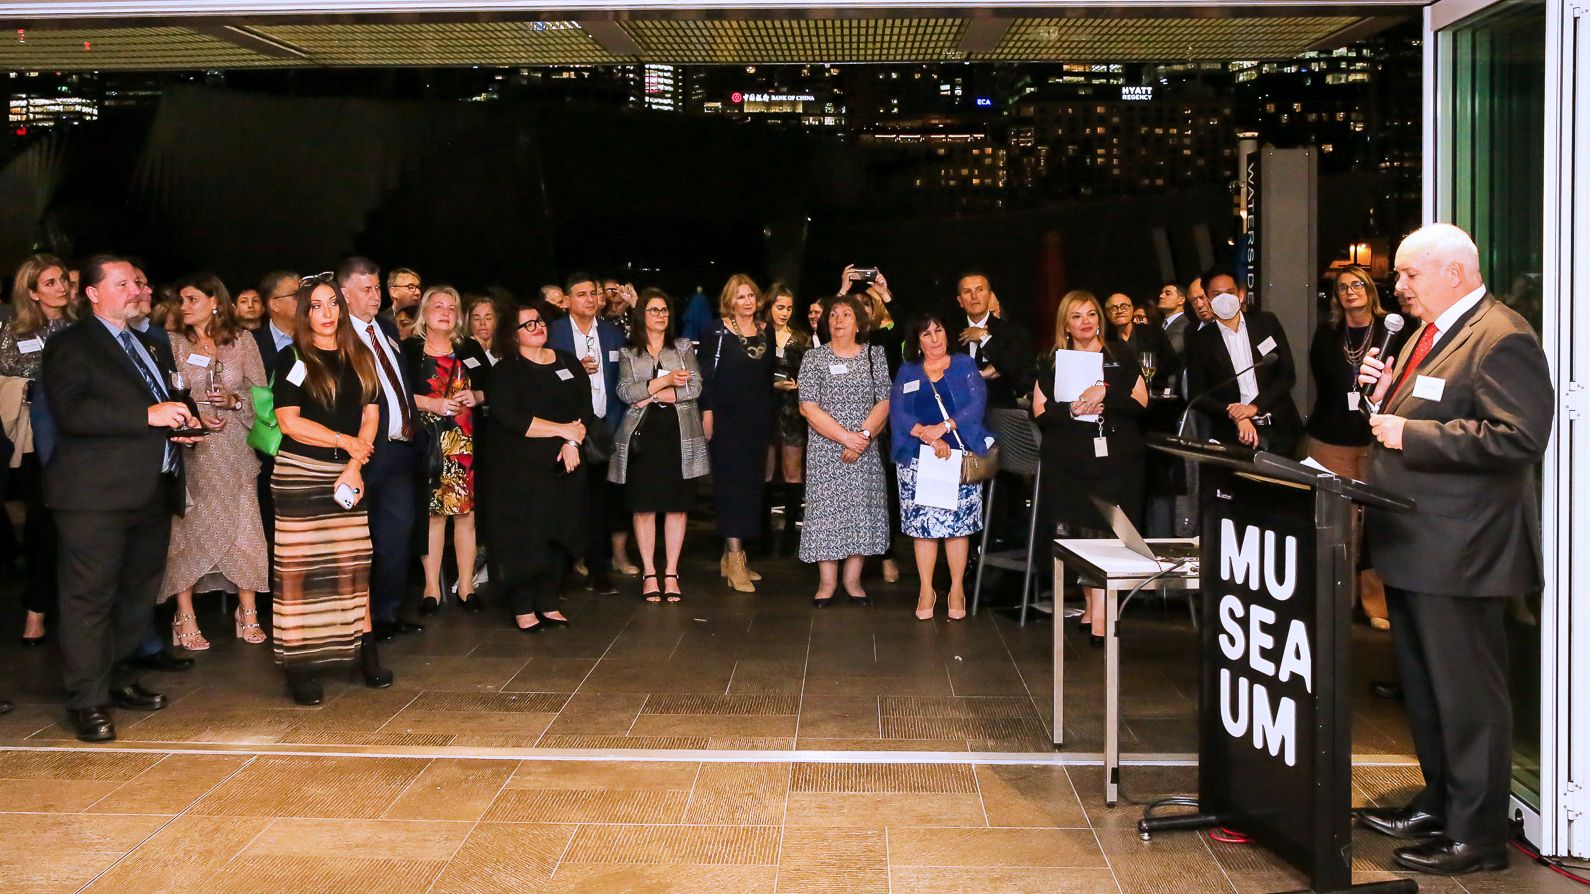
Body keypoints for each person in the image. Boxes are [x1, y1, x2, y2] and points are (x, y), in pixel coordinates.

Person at [1354, 224, 1553, 876]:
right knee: (1427, 688)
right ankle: (1438, 803)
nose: (1400, 286)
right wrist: (1378, 397)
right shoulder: (1429, 332)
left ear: (1457, 273)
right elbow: (1411, 412)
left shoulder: (1502, 337)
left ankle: (1478, 835)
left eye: (1411, 275)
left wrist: (1411, 432)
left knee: (1468, 699)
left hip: (1462, 549)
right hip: (1417, 541)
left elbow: (1518, 437)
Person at [42, 255, 199, 742]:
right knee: (90, 599)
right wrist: (148, 419)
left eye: (139, 282)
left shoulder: (149, 343)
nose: (137, 290)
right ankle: (87, 700)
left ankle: (119, 678)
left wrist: (186, 423)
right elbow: (72, 413)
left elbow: (161, 399)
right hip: (94, 497)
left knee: (135, 596)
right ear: (91, 293)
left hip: (150, 489)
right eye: (124, 283)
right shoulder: (71, 343)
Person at [270, 274, 389, 706]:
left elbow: (371, 416)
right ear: (304, 313)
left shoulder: (361, 355)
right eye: (315, 306)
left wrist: (355, 463)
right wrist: (344, 442)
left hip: (350, 474)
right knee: (300, 574)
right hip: (302, 473)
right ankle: (299, 666)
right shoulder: (293, 358)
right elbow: (289, 421)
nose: (326, 313)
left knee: (353, 566)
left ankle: (364, 652)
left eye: (332, 304)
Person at [159, 273, 271, 649]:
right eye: (181, 300)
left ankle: (248, 610)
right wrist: (194, 414)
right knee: (189, 525)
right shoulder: (172, 343)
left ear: (215, 302)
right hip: (194, 447)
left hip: (236, 445)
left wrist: (235, 401)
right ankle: (184, 614)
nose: (184, 306)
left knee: (244, 523)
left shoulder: (242, 341)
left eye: (192, 299)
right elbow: (163, 393)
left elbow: (262, 394)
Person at [1035, 290, 1149, 646]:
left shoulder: (1122, 355)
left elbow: (1142, 404)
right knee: (1078, 535)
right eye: (1076, 316)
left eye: (1090, 314)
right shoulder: (1051, 361)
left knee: (1106, 535)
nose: (1085, 322)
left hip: (1115, 459)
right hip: (1068, 461)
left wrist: (1106, 395)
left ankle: (1101, 614)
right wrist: (1071, 409)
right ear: (1065, 325)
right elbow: (1039, 413)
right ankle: (1091, 607)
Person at [1303, 267, 1406, 631]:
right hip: (1331, 439)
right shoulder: (1327, 334)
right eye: (1343, 287)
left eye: (1357, 284)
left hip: (1377, 441)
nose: (1350, 292)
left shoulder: (1393, 331)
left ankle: (1376, 603)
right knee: (1336, 527)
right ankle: (1336, 601)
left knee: (1377, 525)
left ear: (1370, 290)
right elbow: (1324, 382)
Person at [485, 301, 587, 632]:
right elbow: (511, 418)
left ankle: (548, 600)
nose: (537, 327)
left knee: (558, 531)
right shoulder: (506, 370)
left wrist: (572, 442)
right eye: (527, 325)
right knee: (527, 536)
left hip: (564, 462)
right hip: (520, 468)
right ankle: (522, 605)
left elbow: (583, 411)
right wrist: (561, 431)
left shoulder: (568, 363)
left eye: (539, 322)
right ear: (512, 335)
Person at [339, 257, 425, 641]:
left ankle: (387, 612)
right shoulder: (338, 338)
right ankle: (359, 620)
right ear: (345, 294)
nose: (375, 297)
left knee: (398, 533)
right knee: (360, 539)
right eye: (366, 290)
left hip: (401, 448)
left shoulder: (387, 330)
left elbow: (401, 385)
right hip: (363, 452)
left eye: (377, 288)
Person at [889, 312, 991, 621]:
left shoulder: (963, 365)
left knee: (957, 530)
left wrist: (944, 427)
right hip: (918, 457)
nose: (935, 338)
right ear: (917, 342)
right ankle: (925, 588)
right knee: (924, 530)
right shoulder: (908, 371)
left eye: (939, 330)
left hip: (958, 457)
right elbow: (899, 412)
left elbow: (976, 405)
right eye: (927, 334)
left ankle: (957, 588)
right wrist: (927, 435)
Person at [610, 289, 707, 603]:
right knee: (645, 506)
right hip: (643, 437)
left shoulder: (682, 347)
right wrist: (665, 382)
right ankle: (650, 572)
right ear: (642, 315)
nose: (661, 315)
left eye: (664, 310)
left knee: (677, 507)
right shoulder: (628, 353)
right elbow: (625, 392)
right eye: (653, 310)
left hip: (679, 434)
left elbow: (695, 386)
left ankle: (671, 573)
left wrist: (652, 393)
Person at [798, 295, 891, 604]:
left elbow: (885, 401)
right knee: (826, 514)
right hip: (826, 451)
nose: (838, 320)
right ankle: (827, 583)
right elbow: (808, 407)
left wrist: (862, 436)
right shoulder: (814, 358)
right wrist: (845, 438)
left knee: (861, 511)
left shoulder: (873, 355)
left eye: (846, 314)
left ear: (859, 323)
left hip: (864, 448)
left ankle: (853, 581)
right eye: (834, 314)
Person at [0, 254, 73, 647]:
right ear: (31, 291)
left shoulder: (82, 327)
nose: (61, 287)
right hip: (33, 441)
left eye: (63, 279)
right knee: (43, 524)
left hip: (80, 439)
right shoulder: (13, 331)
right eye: (50, 282)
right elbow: (5, 379)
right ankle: (36, 611)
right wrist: (33, 390)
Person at [402, 286, 487, 615]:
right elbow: (396, 393)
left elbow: (490, 387)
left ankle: (467, 586)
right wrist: (431, 403)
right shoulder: (410, 350)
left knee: (465, 515)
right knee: (433, 515)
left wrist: (475, 396)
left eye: (452, 308)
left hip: (464, 442)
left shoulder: (469, 348)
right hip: (427, 441)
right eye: (437, 306)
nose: (445, 312)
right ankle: (431, 587)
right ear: (424, 312)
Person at [547, 273, 632, 592]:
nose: (590, 299)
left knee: (600, 500)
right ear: (567, 300)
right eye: (581, 294)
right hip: (563, 427)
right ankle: (562, 570)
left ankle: (598, 569)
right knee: (565, 500)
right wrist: (573, 370)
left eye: (594, 293)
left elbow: (620, 378)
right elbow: (544, 374)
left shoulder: (611, 334)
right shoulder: (553, 333)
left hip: (602, 426)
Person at [698, 273, 777, 592]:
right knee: (730, 487)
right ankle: (735, 559)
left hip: (757, 420)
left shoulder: (766, 331)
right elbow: (706, 377)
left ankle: (731, 554)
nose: (747, 301)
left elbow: (767, 376)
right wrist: (707, 413)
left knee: (750, 488)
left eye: (751, 296)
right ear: (729, 300)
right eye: (741, 296)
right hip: (726, 420)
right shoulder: (715, 331)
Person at [1182, 268, 1302, 455]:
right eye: (1216, 295)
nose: (1224, 299)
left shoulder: (1266, 323)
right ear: (1207, 299)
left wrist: (1253, 407)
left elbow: (1287, 375)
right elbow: (1198, 395)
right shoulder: (1200, 341)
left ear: (1241, 294)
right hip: (1232, 435)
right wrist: (1236, 415)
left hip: (1279, 429)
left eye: (1229, 293)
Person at [761, 283, 809, 556]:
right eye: (780, 307)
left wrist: (798, 385)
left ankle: (791, 533)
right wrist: (771, 384)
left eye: (789, 308)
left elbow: (810, 374)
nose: (785, 313)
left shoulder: (800, 337)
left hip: (792, 409)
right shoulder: (758, 334)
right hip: (766, 407)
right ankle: (764, 533)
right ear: (769, 306)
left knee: (792, 471)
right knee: (766, 471)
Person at [954, 272, 1033, 410]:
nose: (974, 297)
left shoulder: (1012, 331)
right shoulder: (951, 332)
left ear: (990, 296)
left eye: (980, 290)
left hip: (1000, 412)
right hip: (958, 410)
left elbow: (1015, 371)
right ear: (960, 300)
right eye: (967, 292)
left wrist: (984, 339)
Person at [1104, 291, 1174, 392]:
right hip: (1121, 396)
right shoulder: (1105, 340)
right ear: (1107, 314)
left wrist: (1149, 371)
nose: (1119, 311)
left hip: (1154, 394)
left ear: (1132, 309)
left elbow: (1172, 363)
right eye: (1114, 308)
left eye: (1124, 307)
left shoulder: (1153, 332)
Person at [251, 271, 300, 380]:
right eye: (296, 295)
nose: (305, 299)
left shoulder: (317, 337)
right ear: (275, 305)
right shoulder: (250, 342)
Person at [1158, 282, 1191, 360]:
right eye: (1161, 293)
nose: (1161, 296)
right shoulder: (1160, 324)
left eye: (1168, 294)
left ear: (1181, 300)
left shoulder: (1185, 324)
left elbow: (1169, 352)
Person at [466, 293, 500, 364]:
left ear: (495, 321)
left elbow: (498, 373)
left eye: (488, 318)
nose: (482, 323)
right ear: (469, 322)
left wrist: (485, 353)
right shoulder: (462, 351)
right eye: (476, 319)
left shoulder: (506, 353)